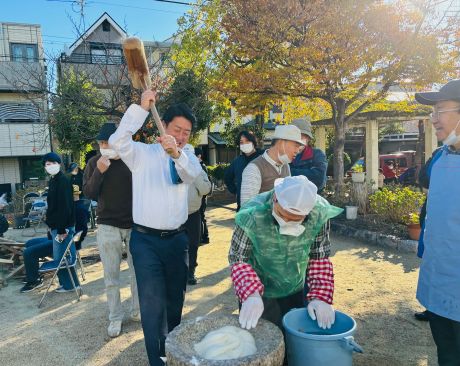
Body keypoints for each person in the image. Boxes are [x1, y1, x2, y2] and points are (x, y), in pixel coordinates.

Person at [109, 91, 202, 366]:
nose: (182, 135)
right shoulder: (141, 154)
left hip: (176, 241)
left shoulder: (188, 157)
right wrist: (140, 108)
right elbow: (117, 141)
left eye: (187, 131)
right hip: (145, 241)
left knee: (175, 301)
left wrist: (177, 153)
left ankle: (173, 352)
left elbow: (191, 174)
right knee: (152, 306)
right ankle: (157, 361)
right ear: (164, 127)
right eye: (177, 129)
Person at [229, 176, 342, 332]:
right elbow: (238, 258)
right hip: (260, 289)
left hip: (295, 285)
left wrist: (320, 297)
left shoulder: (318, 213)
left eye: (297, 219)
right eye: (284, 215)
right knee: (263, 339)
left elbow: (319, 256)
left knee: (294, 336)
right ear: (276, 198)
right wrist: (251, 294)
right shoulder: (252, 214)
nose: (288, 222)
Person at [415, 79, 460, 365]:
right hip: (439, 286)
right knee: (446, 355)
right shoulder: (441, 158)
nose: (433, 119)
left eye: (441, 110)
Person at [83, 122, 140, 338]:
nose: (103, 146)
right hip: (107, 225)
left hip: (134, 225)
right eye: (100, 142)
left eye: (106, 141)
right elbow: (88, 192)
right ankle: (115, 317)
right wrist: (99, 171)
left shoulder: (131, 160)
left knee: (138, 273)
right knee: (111, 277)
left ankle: (137, 310)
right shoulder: (94, 163)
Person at [240, 125, 304, 207]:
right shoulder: (254, 168)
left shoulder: (286, 166)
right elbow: (246, 210)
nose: (297, 151)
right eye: (295, 146)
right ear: (281, 143)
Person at [43, 152, 80, 292]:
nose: (50, 166)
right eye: (47, 164)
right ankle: (69, 283)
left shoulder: (62, 180)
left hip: (63, 227)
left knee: (61, 258)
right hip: (58, 226)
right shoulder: (54, 180)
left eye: (52, 163)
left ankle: (69, 285)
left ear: (59, 163)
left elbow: (64, 207)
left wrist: (61, 230)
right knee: (64, 256)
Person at [183, 145, 212, 285]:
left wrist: (196, 175)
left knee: (193, 244)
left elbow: (206, 189)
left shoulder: (198, 170)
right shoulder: (171, 166)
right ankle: (179, 272)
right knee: (177, 244)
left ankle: (190, 273)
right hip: (175, 215)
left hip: (193, 213)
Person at [224, 131, 263, 211]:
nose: (244, 144)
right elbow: (227, 177)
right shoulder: (237, 161)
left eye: (247, 141)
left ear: (253, 142)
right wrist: (236, 191)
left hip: (261, 205)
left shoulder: (262, 158)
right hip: (243, 206)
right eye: (241, 142)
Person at [289, 118, 328, 192]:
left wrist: (288, 173)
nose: (297, 140)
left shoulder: (317, 154)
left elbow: (319, 180)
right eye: (294, 136)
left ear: (308, 139)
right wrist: (308, 173)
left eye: (301, 136)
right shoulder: (283, 155)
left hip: (312, 200)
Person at [195, 147, 210, 244]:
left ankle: (203, 237)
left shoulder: (201, 167)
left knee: (200, 217)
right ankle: (204, 237)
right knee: (201, 216)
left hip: (202, 196)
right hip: (201, 196)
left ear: (199, 156)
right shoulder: (200, 165)